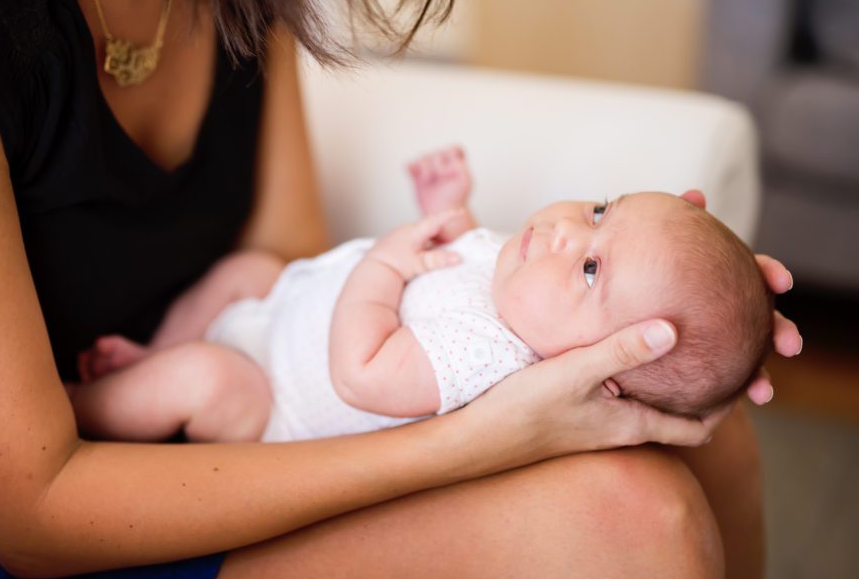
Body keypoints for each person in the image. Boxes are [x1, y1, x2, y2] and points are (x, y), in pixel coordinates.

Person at [0, 0, 801, 579]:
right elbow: (30, 511)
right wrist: (482, 440)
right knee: (633, 532)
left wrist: (661, 283)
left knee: (698, 431)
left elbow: (284, 251)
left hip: (219, 420)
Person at [69, 147, 772, 443]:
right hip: (278, 315)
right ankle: (148, 357)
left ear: (600, 373)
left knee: (206, 377)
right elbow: (462, 257)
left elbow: (362, 371)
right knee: (247, 272)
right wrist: (449, 207)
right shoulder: (521, 279)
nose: (562, 234)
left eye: (591, 271)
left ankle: (81, 410)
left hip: (270, 401)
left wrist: (381, 266)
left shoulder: (491, 358)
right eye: (598, 211)